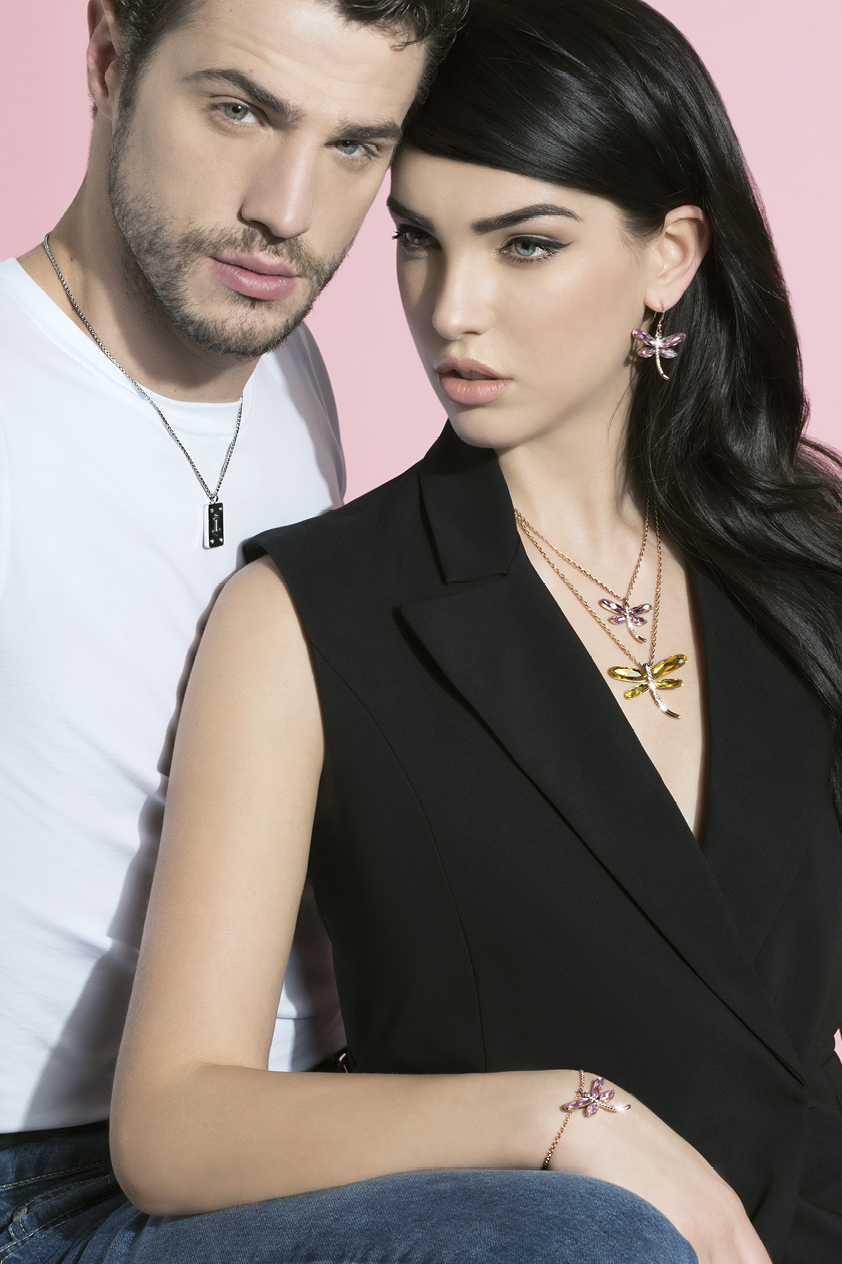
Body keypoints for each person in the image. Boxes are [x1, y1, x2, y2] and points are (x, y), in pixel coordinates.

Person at [109, 0, 842, 1260]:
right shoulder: (306, 615)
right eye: (418, 240)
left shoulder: (803, 566)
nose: (450, 308)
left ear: (668, 256)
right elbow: (173, 1126)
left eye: (525, 245)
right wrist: (558, 1118)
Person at [0, 0, 469, 1256]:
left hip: (301, 1123)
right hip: (46, 1177)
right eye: (239, 111)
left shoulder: (290, 368)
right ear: (108, 56)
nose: (287, 211)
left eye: (355, 145)